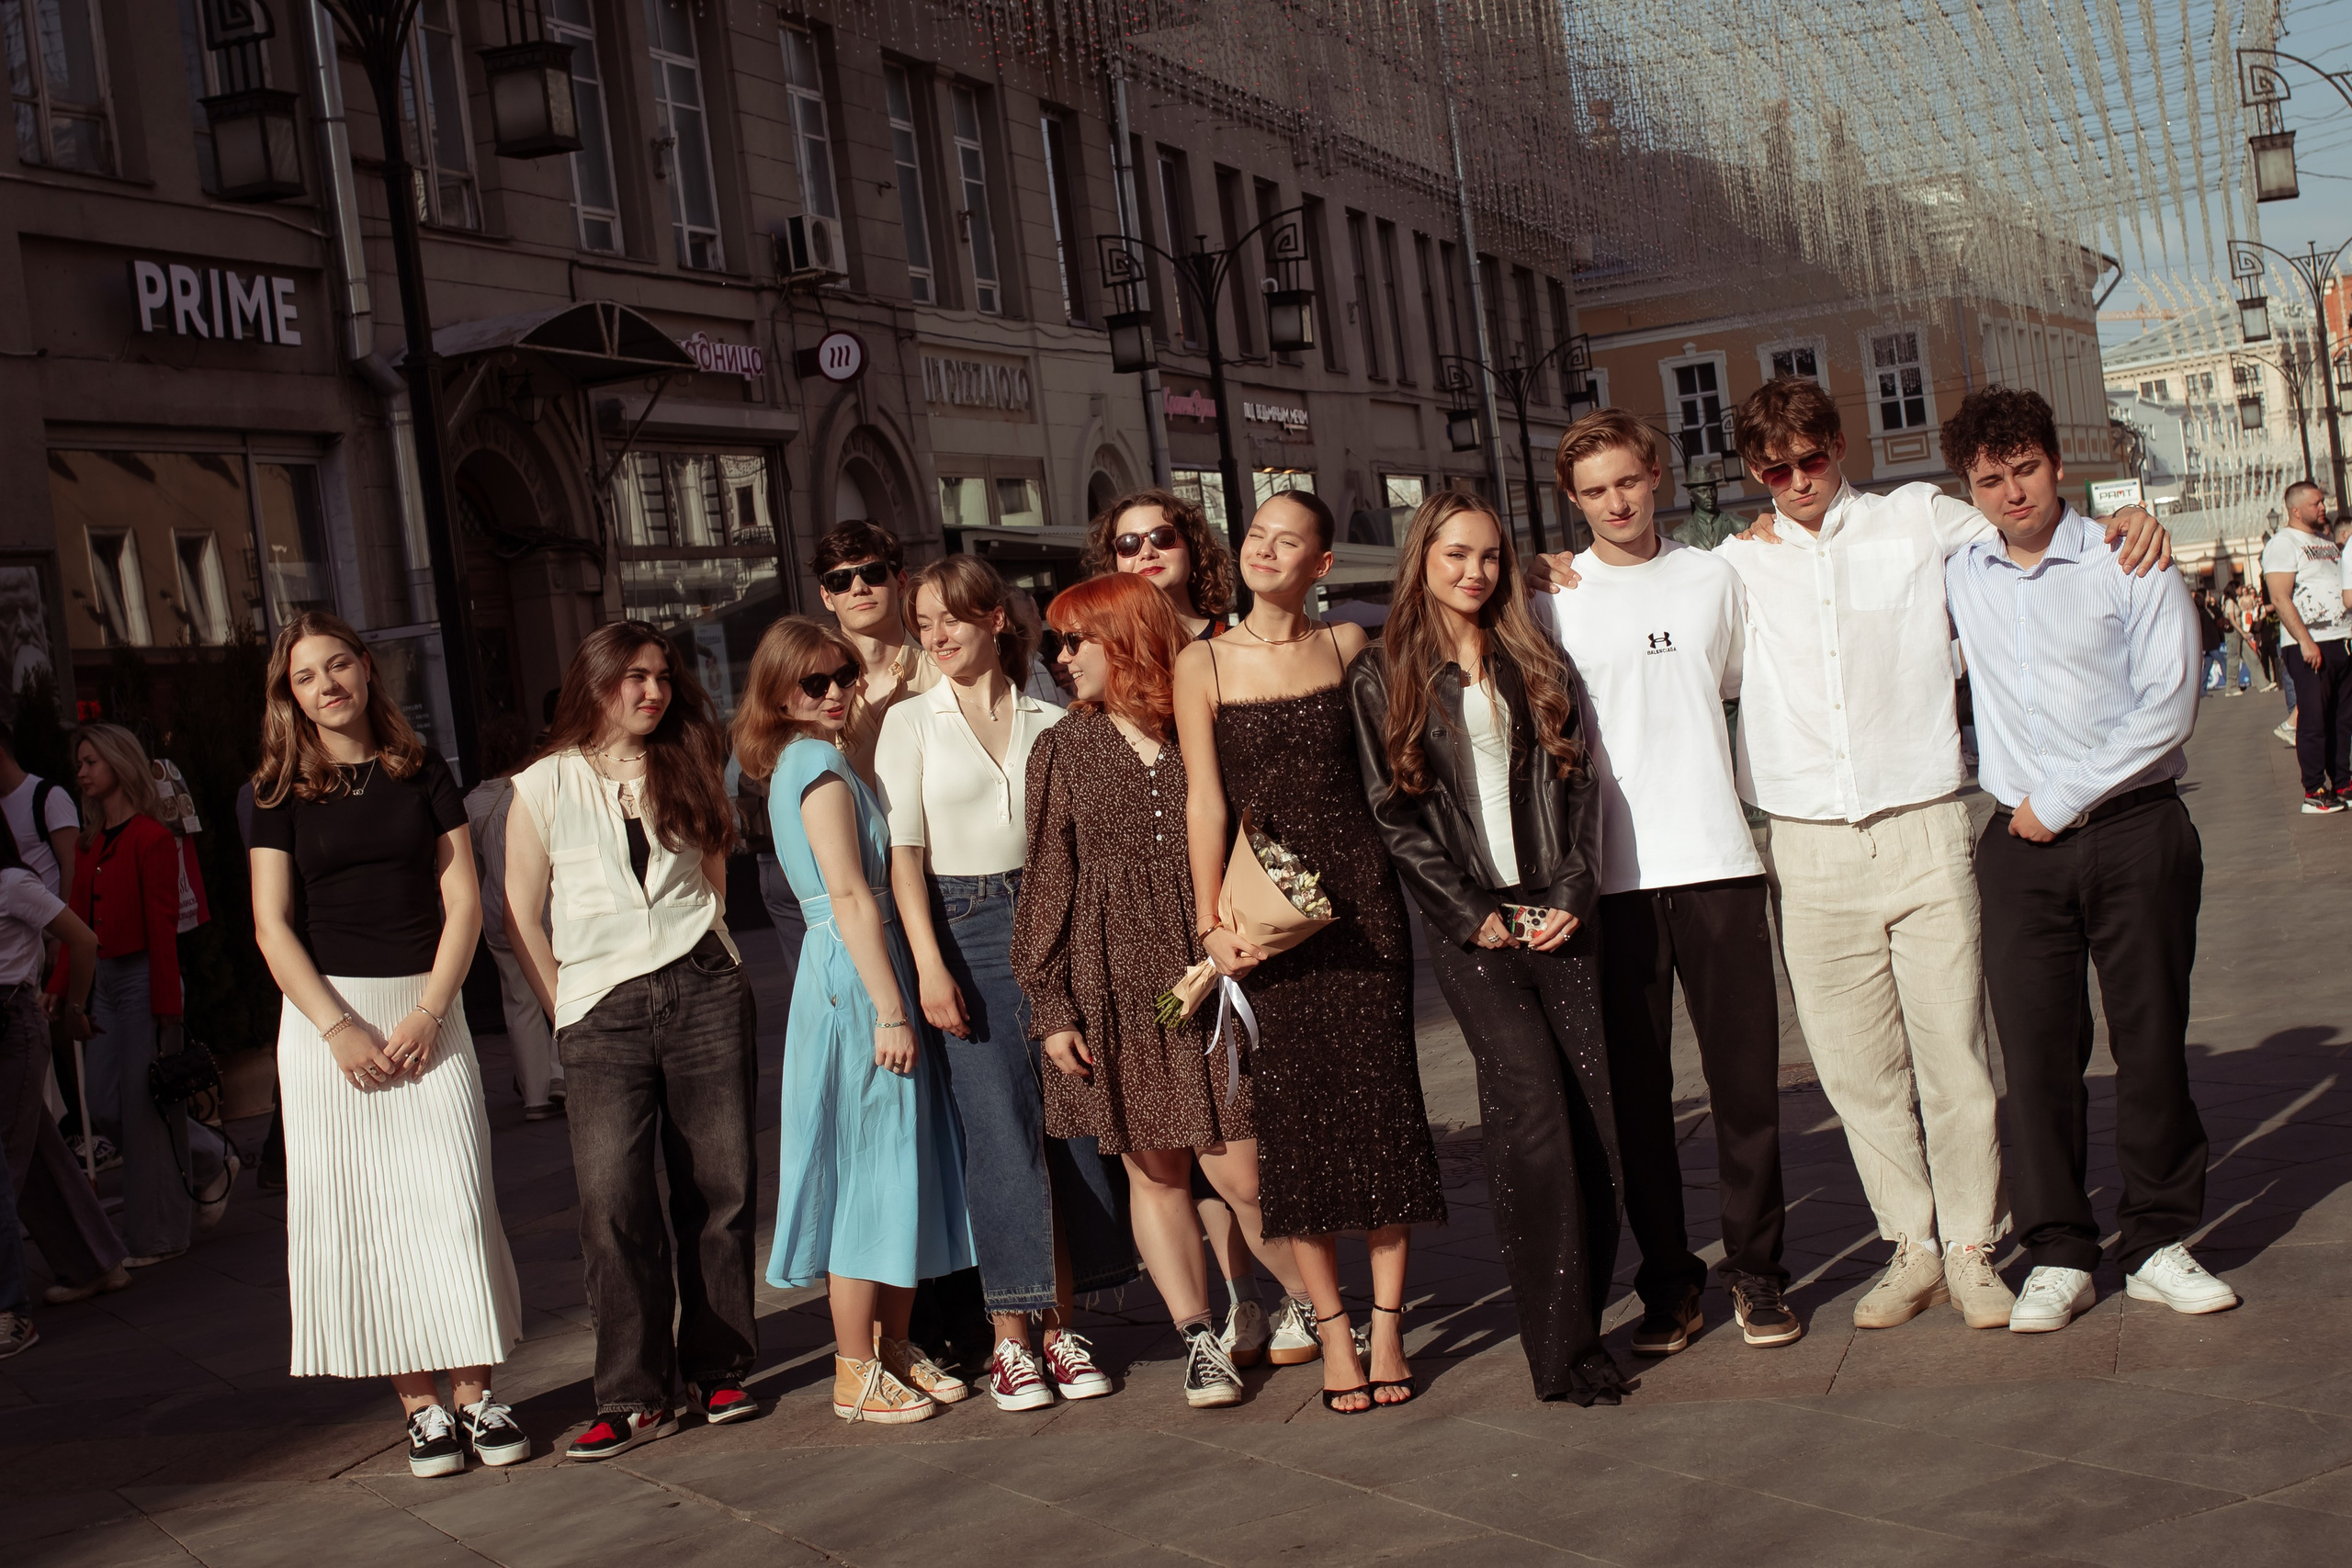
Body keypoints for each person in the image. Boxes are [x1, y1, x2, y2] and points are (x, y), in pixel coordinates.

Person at [1532, 376, 2168, 1334]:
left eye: (1812, 458)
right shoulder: (1730, 567)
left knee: (1952, 1051)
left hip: (1921, 818)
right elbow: (1651, 614)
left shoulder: (1919, 519)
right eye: (1773, 467)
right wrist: (1547, 566)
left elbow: (2026, 526)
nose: (1795, 480)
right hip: (1805, 836)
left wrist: (2124, 514)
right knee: (1853, 1063)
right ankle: (1906, 1243)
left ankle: (1969, 1245)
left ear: (1841, 446)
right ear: (1750, 471)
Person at [1938, 386, 2234, 1331]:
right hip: (2021, 855)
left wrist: (2057, 798)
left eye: (2024, 468)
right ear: (1968, 487)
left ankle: (2155, 1241)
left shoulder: (2125, 555)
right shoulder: (1959, 569)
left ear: (2057, 464)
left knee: (2148, 1041)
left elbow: (2168, 707)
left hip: (2135, 828)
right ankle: (2059, 1250)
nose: (2010, 492)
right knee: (2034, 1054)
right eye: (1989, 478)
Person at [1537, 412, 1827, 1348]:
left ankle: (1758, 1273)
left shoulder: (1715, 576)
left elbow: (1748, 684)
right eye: (1593, 491)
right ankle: (1670, 1282)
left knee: (1745, 1092)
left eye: (1627, 481)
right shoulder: (1553, 601)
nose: (1615, 502)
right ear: (1572, 502)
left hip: (1718, 864)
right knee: (1638, 1103)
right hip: (1610, 884)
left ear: (1655, 476)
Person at [1348, 491, 1626, 1404]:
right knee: (1533, 1112)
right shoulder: (1382, 675)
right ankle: (1557, 1351)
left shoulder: (1533, 658)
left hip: (1556, 913)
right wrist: (1469, 911)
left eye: (1490, 558)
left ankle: (1585, 1329)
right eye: (1455, 555)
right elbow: (1395, 816)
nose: (1474, 573)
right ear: (1422, 558)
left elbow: (1581, 785)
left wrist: (1572, 894)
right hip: (1473, 930)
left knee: (1592, 1122)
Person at [1174, 489, 1446, 1415]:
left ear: (1319, 565)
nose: (1265, 550)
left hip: (1364, 909)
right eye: (1257, 534)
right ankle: (1333, 1330)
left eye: (1288, 541)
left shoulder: (1344, 648)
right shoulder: (1201, 660)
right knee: (1297, 1131)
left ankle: (1392, 1328)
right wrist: (1209, 922)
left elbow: (1407, 722)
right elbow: (1204, 802)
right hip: (1269, 919)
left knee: (1382, 1118)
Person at [1014, 573, 1313, 1409]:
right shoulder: (1061, 751)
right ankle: (1196, 1337)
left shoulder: (1201, 724)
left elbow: (1262, 835)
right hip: (1114, 981)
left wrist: (1252, 931)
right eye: (1057, 643)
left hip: (1215, 969)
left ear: (1128, 638)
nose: (1062, 657)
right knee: (1157, 1172)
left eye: (1077, 640)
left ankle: (1317, 1306)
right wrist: (1052, 1011)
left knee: (1243, 1169)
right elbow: (1048, 885)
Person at [247, 612, 526, 1478]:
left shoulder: (420, 768)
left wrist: (431, 1012)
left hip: (425, 1013)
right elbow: (269, 924)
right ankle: (421, 1407)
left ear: (367, 671)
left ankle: (477, 1394)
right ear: (288, 695)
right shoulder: (274, 788)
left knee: (454, 1199)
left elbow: (465, 902)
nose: (327, 684)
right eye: (306, 675)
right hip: (328, 1024)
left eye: (339, 665)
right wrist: (335, 1027)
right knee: (364, 1219)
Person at [876, 554, 1134, 1411]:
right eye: (923, 624)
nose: (937, 635)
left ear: (995, 620)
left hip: (1055, 916)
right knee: (999, 1132)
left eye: (951, 617)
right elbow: (903, 857)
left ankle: (1065, 1328)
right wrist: (929, 964)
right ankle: (1011, 1339)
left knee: (1075, 1125)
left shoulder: (1050, 715)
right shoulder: (908, 722)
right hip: (965, 923)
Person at [505, 622, 763, 1460]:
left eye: (660, 676)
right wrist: (563, 1008)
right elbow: (520, 907)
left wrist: (712, 955)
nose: (650, 691)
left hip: (702, 986)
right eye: (632, 678)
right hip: (598, 1009)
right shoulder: (542, 784)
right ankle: (631, 1391)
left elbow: (716, 871)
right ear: (597, 682)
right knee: (613, 1203)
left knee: (718, 1187)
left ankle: (719, 1367)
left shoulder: (690, 758)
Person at [737, 616, 976, 1424]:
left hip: (861, 969)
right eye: (815, 681)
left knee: (896, 1165)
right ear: (779, 689)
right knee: (868, 1172)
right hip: (855, 976)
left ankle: (890, 1350)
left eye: (844, 675)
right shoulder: (814, 765)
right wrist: (889, 1009)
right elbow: (845, 899)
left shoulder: (823, 759)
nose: (837, 690)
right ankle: (852, 1367)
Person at [742, 523, 943, 1022]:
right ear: (826, 596)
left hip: (943, 878)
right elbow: (759, 764)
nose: (857, 587)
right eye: (840, 580)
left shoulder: (944, 664)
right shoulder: (804, 687)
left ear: (899, 580)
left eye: (872, 573)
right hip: (848, 896)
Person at [65, 723, 231, 1269]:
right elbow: (74, 925)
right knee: (105, 1105)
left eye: (91, 761)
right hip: (105, 983)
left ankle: (159, 1236)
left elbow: (162, 929)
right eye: (80, 763)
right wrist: (64, 991)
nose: (82, 772)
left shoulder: (151, 838)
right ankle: (213, 1156)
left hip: (143, 981)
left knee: (142, 1109)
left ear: (119, 762)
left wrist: (168, 1010)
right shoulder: (90, 843)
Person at [0, 817, 121, 1310]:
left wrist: (73, 1009)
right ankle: (94, 1262)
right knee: (37, 1153)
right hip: (11, 1029)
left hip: (12, 1026)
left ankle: (11, 1310)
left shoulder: (12, 884)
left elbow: (84, 939)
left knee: (8, 1161)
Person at [465, 716, 564, 1120]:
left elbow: (473, 865)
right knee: (564, 985)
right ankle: (561, 1075)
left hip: (496, 909)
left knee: (519, 1002)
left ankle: (535, 1096)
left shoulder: (473, 802)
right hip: (543, 908)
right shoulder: (534, 790)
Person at [2263, 479, 2350, 812]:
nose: (2322, 507)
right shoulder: (2283, 543)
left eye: (2323, 501)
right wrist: (2305, 641)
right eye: (2315, 503)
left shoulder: (2325, 542)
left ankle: (2342, 781)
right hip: (2311, 644)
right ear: (2295, 510)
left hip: (2341, 639)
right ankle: (2314, 790)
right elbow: (2280, 597)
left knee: (2342, 718)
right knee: (2314, 719)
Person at [1085, 487, 1236, 642]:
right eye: (1128, 543)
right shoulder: (1107, 653)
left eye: (1164, 537)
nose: (1146, 553)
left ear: (1193, 550)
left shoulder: (1238, 646)